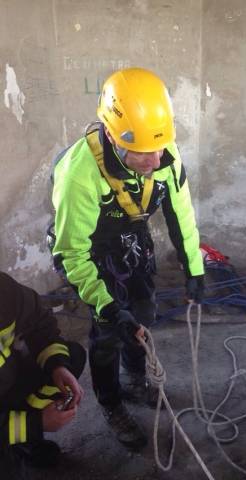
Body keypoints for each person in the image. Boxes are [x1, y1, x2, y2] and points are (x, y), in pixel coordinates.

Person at [51, 67, 205, 450]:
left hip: (132, 243)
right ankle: (111, 402)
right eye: (142, 153)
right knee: (107, 333)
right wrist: (105, 305)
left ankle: (136, 376)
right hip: (93, 251)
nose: (156, 160)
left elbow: (180, 212)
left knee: (143, 315)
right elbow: (71, 251)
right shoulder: (80, 174)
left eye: (160, 147)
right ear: (113, 136)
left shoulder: (162, 151)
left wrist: (194, 267)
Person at [0, 272, 86, 479]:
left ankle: (21, 442)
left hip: (7, 384)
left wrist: (57, 366)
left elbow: (40, 321)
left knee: (71, 355)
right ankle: (15, 441)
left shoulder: (4, 289)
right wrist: (34, 425)